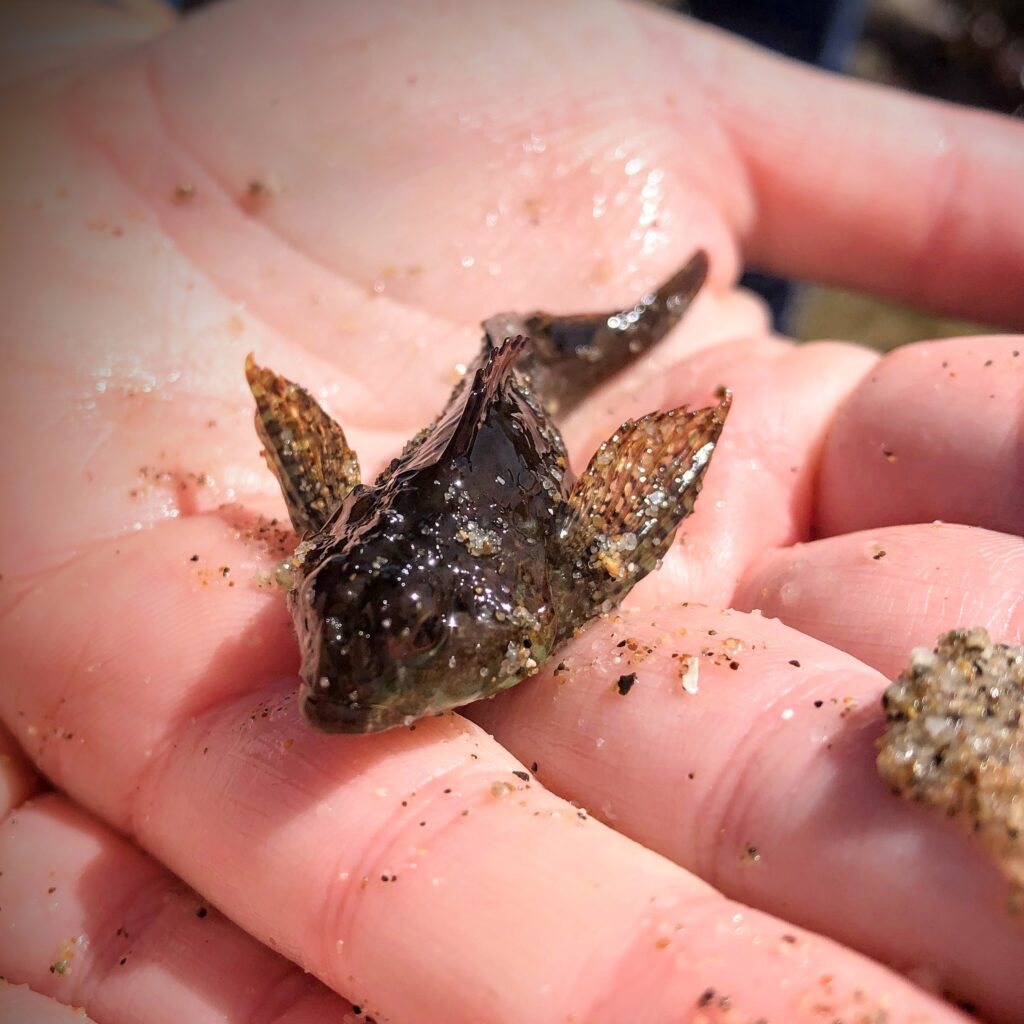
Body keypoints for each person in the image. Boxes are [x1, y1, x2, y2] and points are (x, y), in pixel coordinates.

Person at [0, 2, 1021, 1022]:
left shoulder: (566, 572)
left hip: (515, 393)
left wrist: (684, 432)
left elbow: (626, 500)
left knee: (530, 364)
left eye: (411, 644)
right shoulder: (384, 570)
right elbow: (324, 493)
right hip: (480, 401)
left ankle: (613, 322)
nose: (332, 691)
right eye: (334, 607)